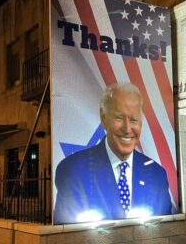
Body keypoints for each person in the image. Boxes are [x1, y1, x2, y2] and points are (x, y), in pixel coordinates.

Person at [54, 82, 174, 224]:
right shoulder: (73, 170)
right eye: (119, 118)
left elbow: (165, 231)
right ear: (104, 118)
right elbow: (69, 235)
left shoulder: (156, 174)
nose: (127, 128)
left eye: (134, 120)